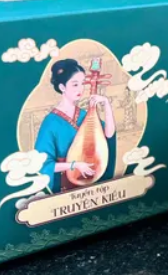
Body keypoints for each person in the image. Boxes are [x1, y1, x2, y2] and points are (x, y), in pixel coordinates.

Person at [34, 59, 117, 193]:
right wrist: (75, 165)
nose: (80, 89)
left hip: (91, 179)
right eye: (75, 84)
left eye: (82, 83)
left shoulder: (85, 115)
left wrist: (106, 104)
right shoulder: (51, 122)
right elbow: (43, 164)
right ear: (62, 87)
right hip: (64, 185)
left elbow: (108, 135)